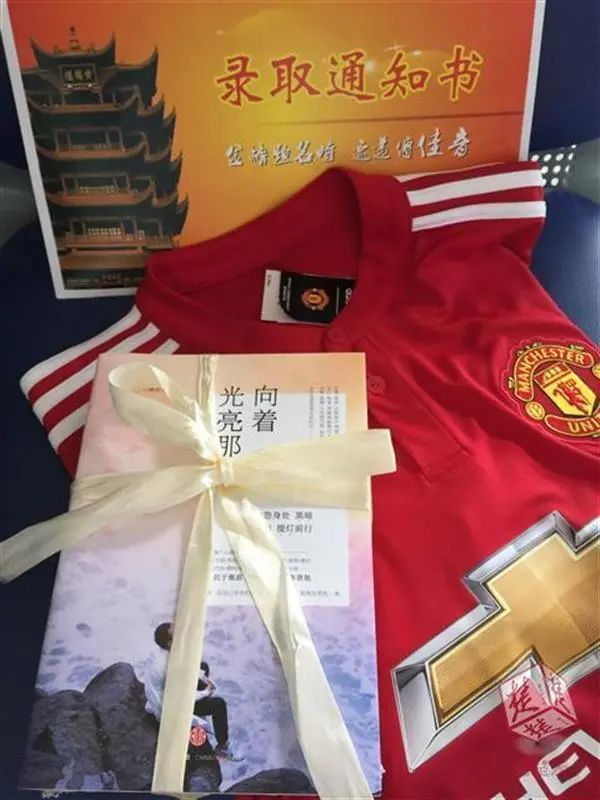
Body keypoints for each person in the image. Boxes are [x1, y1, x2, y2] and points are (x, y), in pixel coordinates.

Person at [144, 622, 240, 761]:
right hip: (169, 709)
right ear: (169, 643)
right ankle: (222, 749)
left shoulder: (162, 652)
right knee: (219, 705)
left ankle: (201, 705)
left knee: (202, 667)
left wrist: (201, 677)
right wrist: (205, 692)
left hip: (167, 694)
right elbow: (180, 698)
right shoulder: (169, 667)